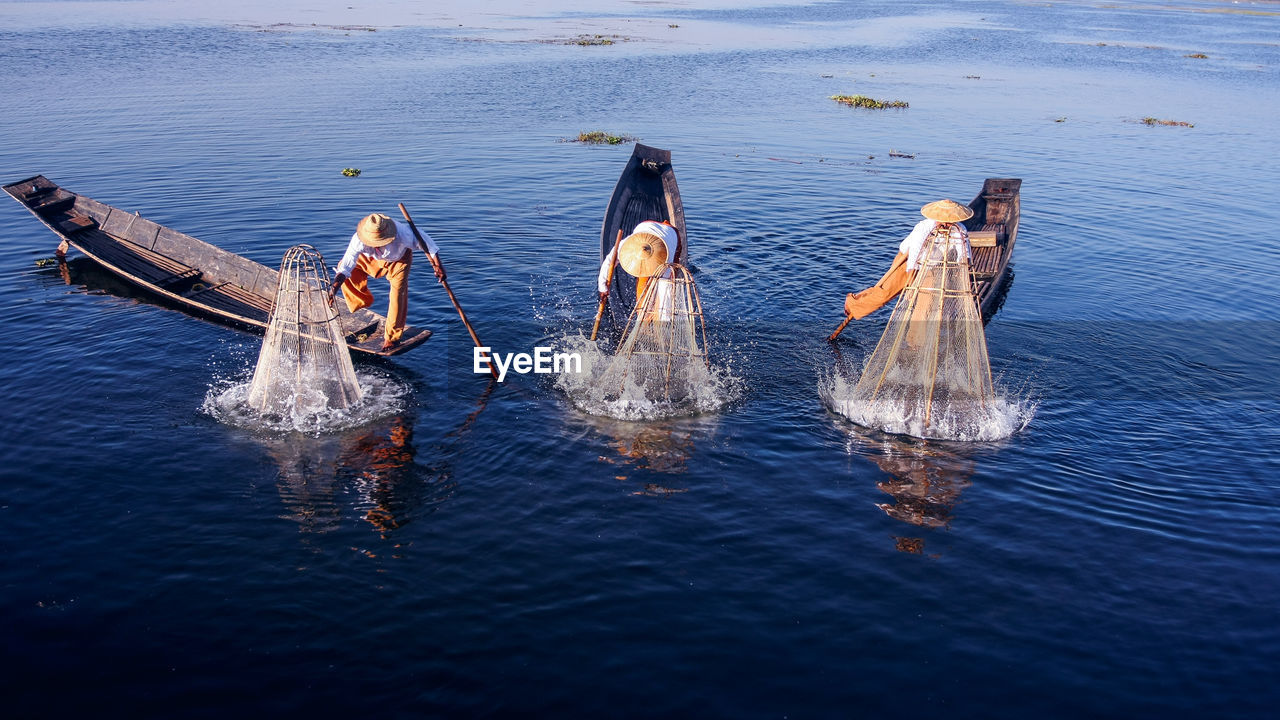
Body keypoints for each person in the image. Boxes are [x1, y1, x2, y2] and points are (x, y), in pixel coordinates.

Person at [328, 212, 446, 352]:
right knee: (343, 268)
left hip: (399, 260)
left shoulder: (402, 233)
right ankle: (361, 301)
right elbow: (346, 266)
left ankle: (392, 338)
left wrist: (438, 265)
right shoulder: (358, 240)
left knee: (398, 294)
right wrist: (334, 288)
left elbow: (428, 243)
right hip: (371, 260)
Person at [842, 199, 973, 321]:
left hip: (931, 267)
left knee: (926, 304)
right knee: (885, 293)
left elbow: (963, 251)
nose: (945, 224)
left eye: (949, 221)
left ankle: (915, 341)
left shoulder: (959, 230)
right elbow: (915, 249)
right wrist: (911, 272)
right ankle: (853, 303)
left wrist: (964, 265)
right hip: (907, 262)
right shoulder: (924, 227)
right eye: (942, 221)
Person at [598, 220, 680, 319]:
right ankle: (643, 318)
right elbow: (608, 261)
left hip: (670, 233)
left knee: (667, 285)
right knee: (643, 285)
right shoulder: (625, 245)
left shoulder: (666, 256)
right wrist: (603, 288)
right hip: (645, 227)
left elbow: (666, 289)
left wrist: (663, 319)